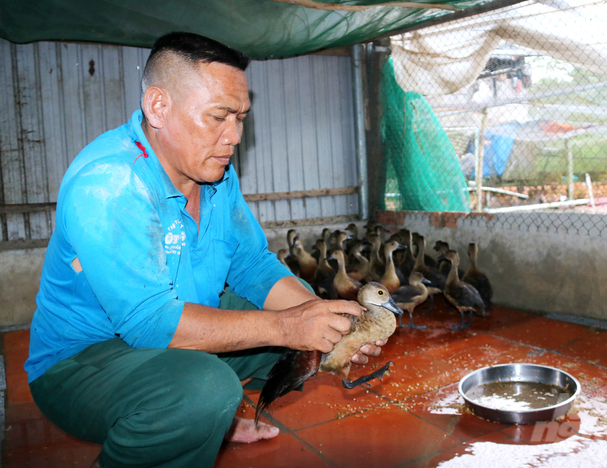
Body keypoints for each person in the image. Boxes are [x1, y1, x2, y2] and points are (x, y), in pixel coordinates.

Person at [25, 32, 384, 467]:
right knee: (204, 390)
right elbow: (151, 324)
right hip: (85, 360)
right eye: (218, 116)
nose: (233, 136)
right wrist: (287, 327)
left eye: (241, 118)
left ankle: (210, 423)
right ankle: (190, 418)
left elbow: (251, 264)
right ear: (158, 107)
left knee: (303, 327)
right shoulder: (110, 186)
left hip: (174, 315)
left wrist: (326, 323)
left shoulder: (214, 174)